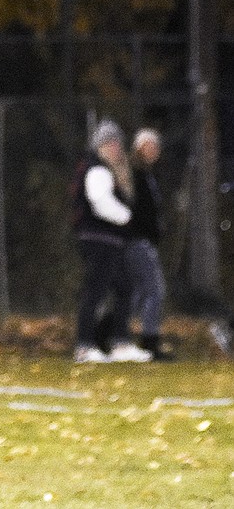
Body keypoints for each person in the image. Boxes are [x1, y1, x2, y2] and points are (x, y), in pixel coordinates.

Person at [69, 119, 151, 363]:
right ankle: (85, 345)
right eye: (110, 143)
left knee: (124, 288)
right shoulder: (97, 169)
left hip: (108, 240)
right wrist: (126, 217)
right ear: (100, 145)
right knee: (95, 291)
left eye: (118, 143)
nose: (116, 147)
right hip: (99, 239)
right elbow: (100, 202)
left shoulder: (104, 168)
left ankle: (120, 342)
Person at [127, 128, 172, 361]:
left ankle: (110, 333)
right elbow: (136, 209)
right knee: (154, 290)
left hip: (141, 240)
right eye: (149, 146)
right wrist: (148, 229)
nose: (154, 151)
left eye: (156, 147)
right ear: (139, 147)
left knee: (136, 293)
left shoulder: (146, 173)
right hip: (138, 241)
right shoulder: (135, 173)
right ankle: (149, 340)